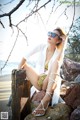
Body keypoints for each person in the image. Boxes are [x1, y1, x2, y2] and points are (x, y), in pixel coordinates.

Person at [18, 27, 67, 116]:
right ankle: (44, 96)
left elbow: (57, 65)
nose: (50, 36)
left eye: (53, 35)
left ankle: (46, 99)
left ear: (58, 40)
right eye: (49, 33)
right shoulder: (41, 46)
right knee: (24, 66)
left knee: (56, 63)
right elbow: (25, 57)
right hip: (39, 80)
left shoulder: (59, 53)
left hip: (51, 82)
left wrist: (64, 43)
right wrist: (18, 72)